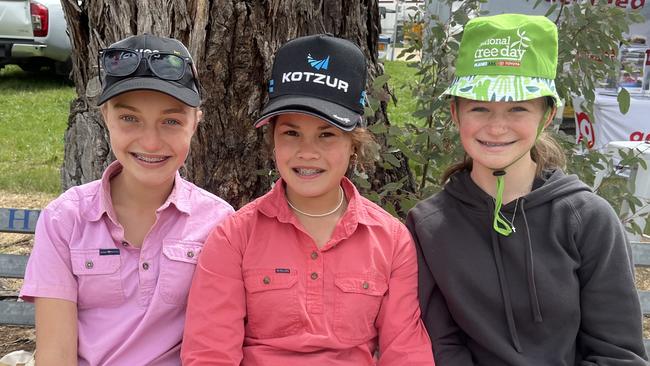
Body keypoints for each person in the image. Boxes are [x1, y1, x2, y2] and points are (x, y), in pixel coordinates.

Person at [407, 14, 648, 365]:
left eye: (518, 108)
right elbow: (441, 347)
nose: (497, 126)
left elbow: (618, 353)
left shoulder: (588, 219)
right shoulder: (428, 226)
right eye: (479, 107)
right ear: (456, 114)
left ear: (547, 115)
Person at [181, 34, 434, 365]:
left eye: (327, 134)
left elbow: (406, 353)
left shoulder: (391, 240)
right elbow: (209, 354)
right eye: (291, 133)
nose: (307, 152)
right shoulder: (234, 237)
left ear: (353, 144)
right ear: (273, 139)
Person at [19, 34, 234, 365]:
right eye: (129, 118)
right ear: (106, 116)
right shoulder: (65, 220)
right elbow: (55, 354)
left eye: (171, 121)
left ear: (196, 123)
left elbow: (218, 347)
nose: (150, 142)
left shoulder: (218, 222)